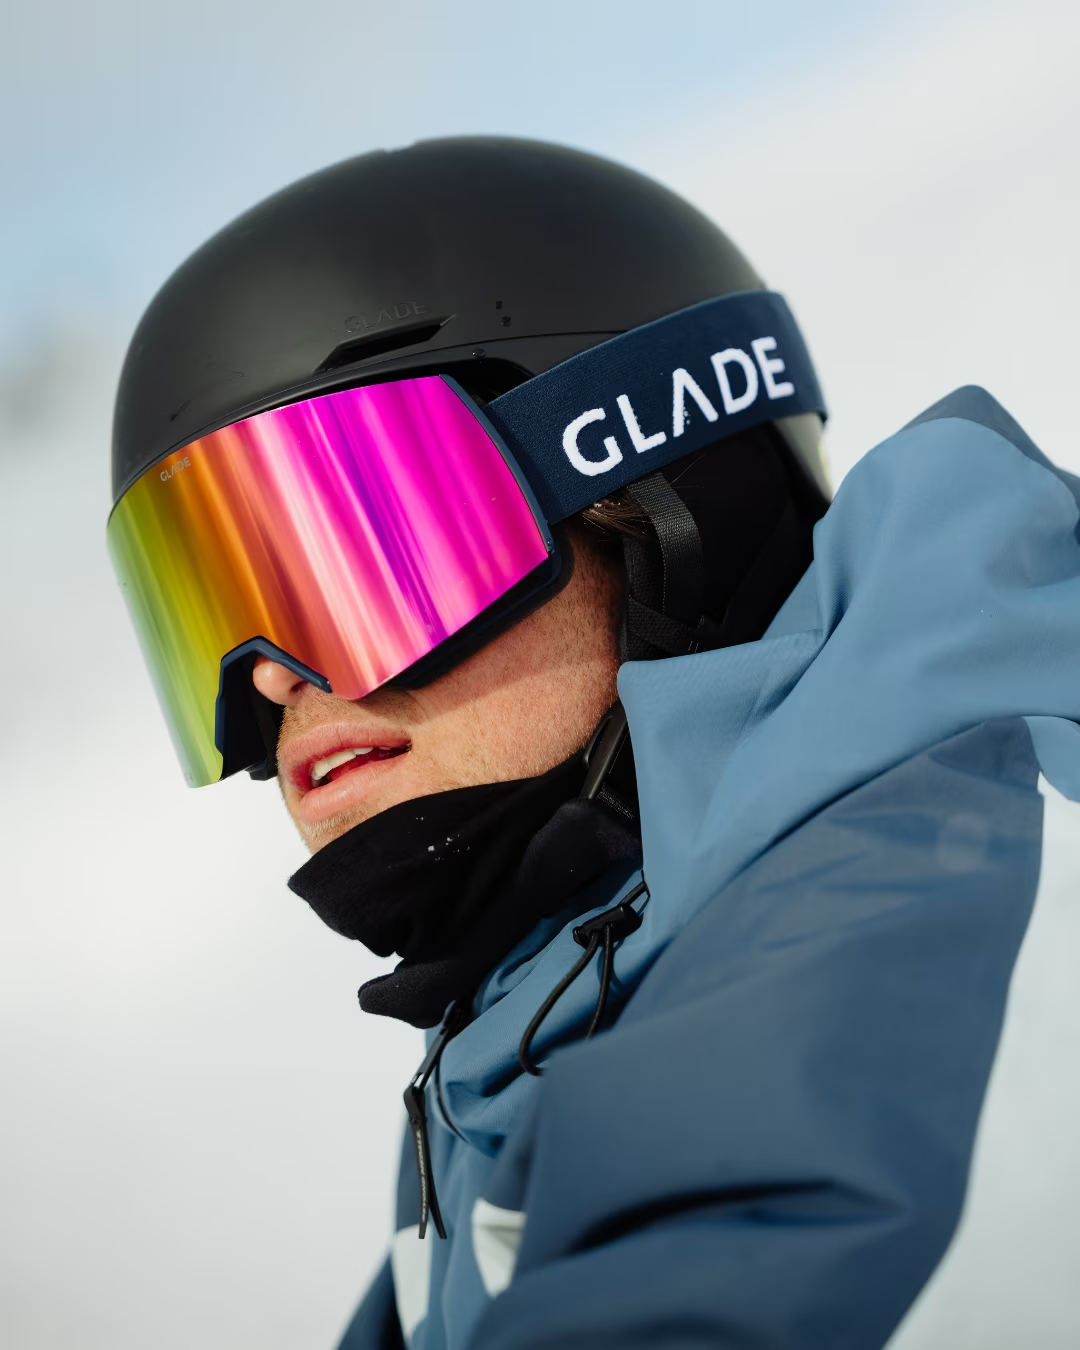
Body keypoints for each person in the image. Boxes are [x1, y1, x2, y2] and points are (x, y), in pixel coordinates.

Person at [107, 138, 1080, 1350]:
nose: (265, 676)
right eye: (210, 605)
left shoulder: (913, 876)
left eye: (367, 565)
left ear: (675, 513)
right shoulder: (543, 1006)